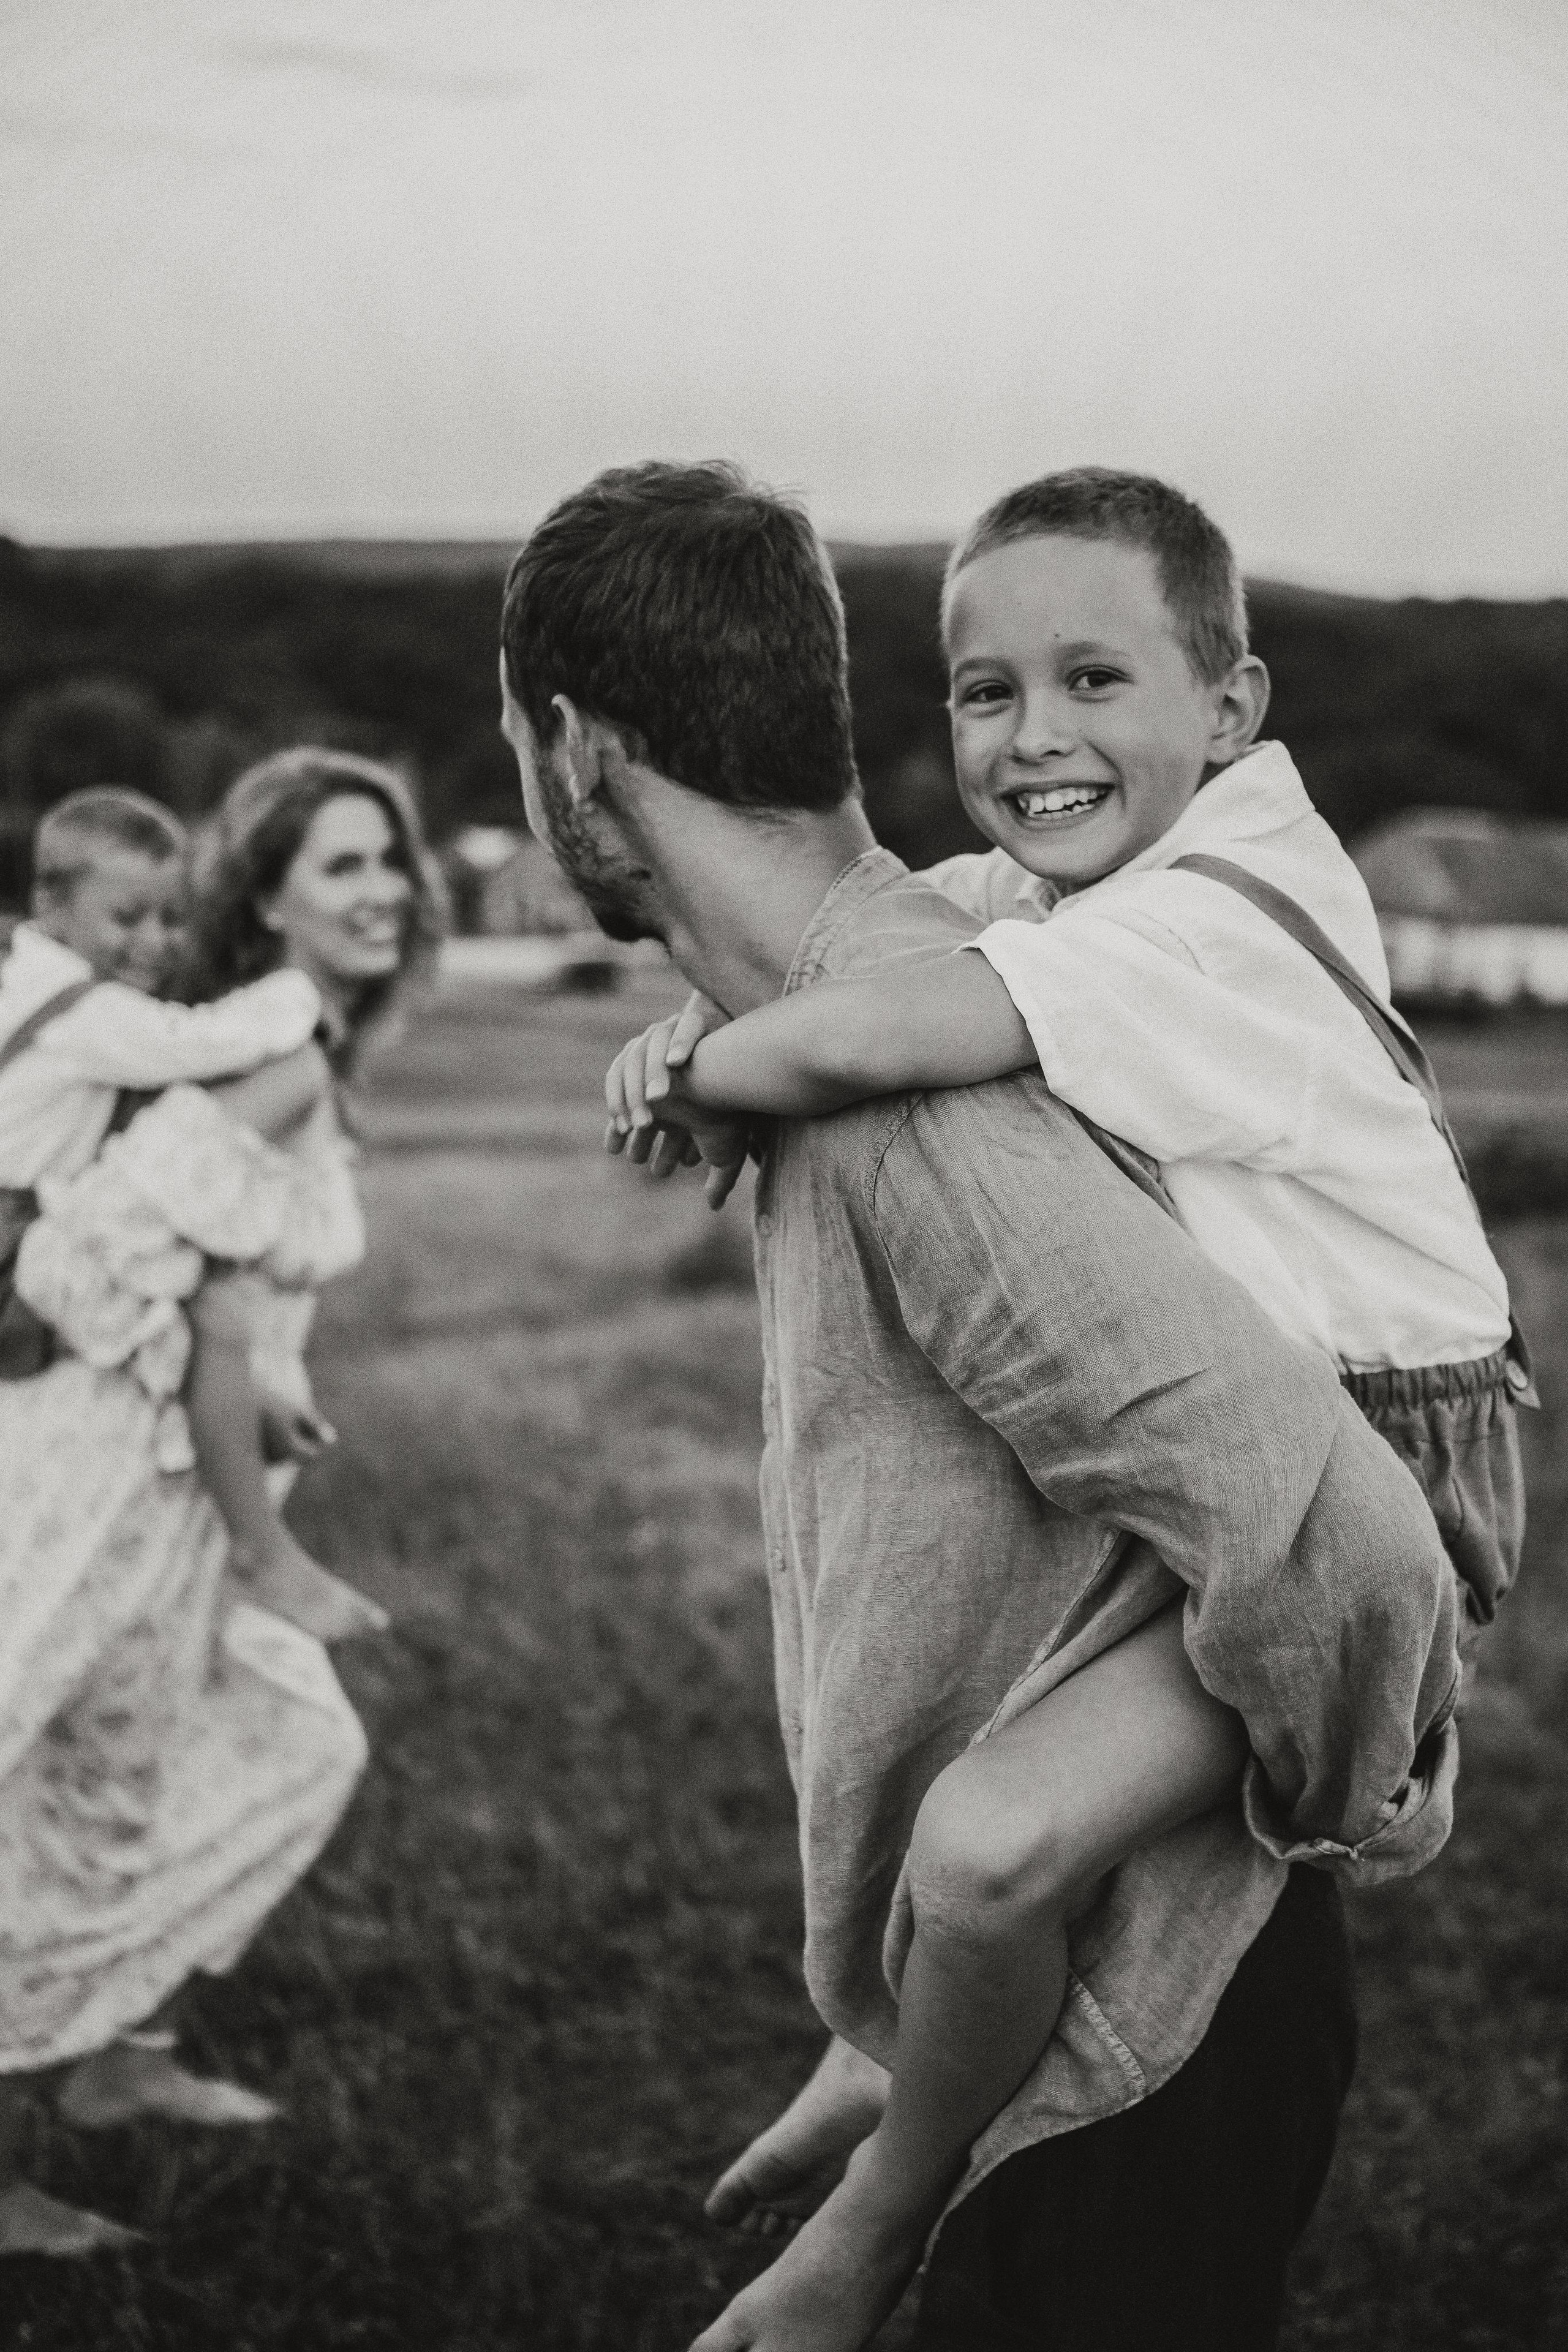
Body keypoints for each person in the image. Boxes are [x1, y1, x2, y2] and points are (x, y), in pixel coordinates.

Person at [499, 460, 1463, 2351]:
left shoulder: (926, 1086)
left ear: (572, 743)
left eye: (1099, 684)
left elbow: (1354, 1546)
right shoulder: (971, 953)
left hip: (1150, 2029)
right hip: (1048, 1996)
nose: (1038, 741)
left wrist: (1369, 1801)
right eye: (988, 693)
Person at [0, 748, 444, 2258]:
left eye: (388, 857)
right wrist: (240, 1433)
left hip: (185, 1483)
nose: (382, 885)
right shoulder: (275, 1058)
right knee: (30, 1786)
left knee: (277, 1745)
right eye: (339, 865)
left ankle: (119, 2061)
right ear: (260, 895)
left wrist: (249, 1384)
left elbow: (209, 1292)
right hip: (99, 1477)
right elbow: (87, 1262)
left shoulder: (290, 1058)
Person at [0, 786, 361, 1627]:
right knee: (202, 1321)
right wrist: (297, 998)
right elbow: (202, 1044)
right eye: (127, 917)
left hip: (25, 1229)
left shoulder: (25, 976)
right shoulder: (82, 1014)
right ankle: (256, 1532)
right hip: (12, 1247)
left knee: (191, 1308)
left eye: (171, 919)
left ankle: (241, 1442)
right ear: (49, 903)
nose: (156, 943)